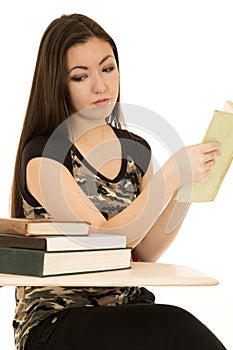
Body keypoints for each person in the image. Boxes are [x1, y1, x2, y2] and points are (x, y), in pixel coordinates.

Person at [10, 13, 226, 350]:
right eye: (81, 77)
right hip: (59, 320)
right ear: (58, 83)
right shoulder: (42, 157)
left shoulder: (135, 150)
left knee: (174, 327)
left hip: (126, 310)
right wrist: (168, 177)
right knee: (176, 327)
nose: (101, 86)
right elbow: (105, 242)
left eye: (108, 69)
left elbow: (144, 250)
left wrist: (186, 186)